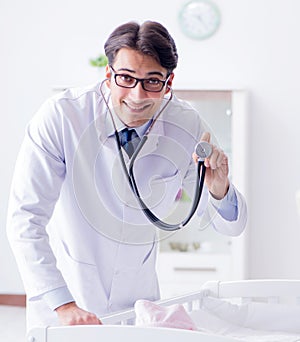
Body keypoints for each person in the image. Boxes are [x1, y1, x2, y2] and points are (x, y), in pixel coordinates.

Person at [6, 20, 247, 331]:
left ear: (168, 81)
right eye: (126, 78)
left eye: (152, 81)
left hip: (139, 305)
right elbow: (25, 219)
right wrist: (63, 304)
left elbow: (229, 227)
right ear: (108, 75)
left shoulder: (187, 124)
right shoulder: (62, 116)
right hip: (67, 300)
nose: (138, 95)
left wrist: (219, 189)